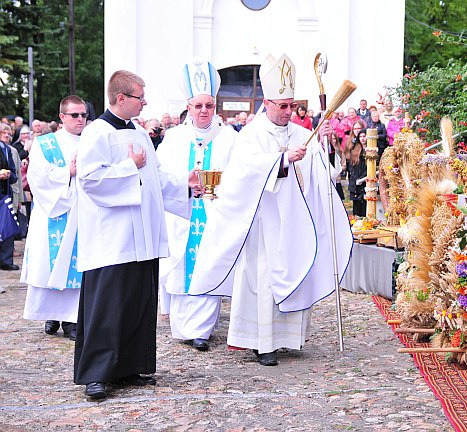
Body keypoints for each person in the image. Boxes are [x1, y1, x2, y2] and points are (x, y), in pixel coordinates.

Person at [188, 53, 352, 366]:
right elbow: (242, 174)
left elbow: (324, 174)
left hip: (293, 222)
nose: (289, 111)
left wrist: (328, 146)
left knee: (294, 270)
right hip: (264, 224)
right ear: (267, 103)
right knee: (263, 281)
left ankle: (289, 339)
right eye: (283, 106)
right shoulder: (250, 135)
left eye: (292, 105)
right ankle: (262, 344)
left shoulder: (304, 134)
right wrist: (281, 161)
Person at [73, 70, 199, 400]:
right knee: (109, 306)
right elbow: (89, 180)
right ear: (121, 99)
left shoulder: (140, 134)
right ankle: (97, 374)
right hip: (112, 239)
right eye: (140, 98)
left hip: (142, 236)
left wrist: (184, 185)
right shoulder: (96, 133)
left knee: (138, 304)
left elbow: (155, 175)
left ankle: (130, 366)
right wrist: (129, 166)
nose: (145, 103)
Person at [157, 58, 237, 352]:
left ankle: (202, 329)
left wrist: (214, 184)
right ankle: (182, 327)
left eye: (209, 105)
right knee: (180, 267)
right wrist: (185, 182)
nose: (204, 111)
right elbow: (161, 173)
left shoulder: (229, 138)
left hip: (214, 212)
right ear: (188, 108)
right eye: (198, 106)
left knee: (209, 263)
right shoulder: (174, 138)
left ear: (216, 107)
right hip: (182, 214)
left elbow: (239, 174)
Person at [21, 95, 88, 341]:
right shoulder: (45, 143)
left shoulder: (91, 141)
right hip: (52, 212)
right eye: (74, 115)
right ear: (62, 117)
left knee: (76, 267)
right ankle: (52, 313)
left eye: (83, 114)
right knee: (50, 263)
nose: (80, 119)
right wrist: (67, 172)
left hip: (81, 214)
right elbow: (39, 176)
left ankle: (72, 319)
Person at [0, 125, 19, 272]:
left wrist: (8, 175)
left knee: (8, 227)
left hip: (5, 195)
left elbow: (14, 173)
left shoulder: (8, 150)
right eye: (3, 132)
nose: (7, 134)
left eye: (8, 132)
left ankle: (6, 261)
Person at [346, 128, 368, 217]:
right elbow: (351, 165)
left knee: (365, 205)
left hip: (365, 179)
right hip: (355, 179)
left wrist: (363, 177)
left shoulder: (371, 149)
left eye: (364, 136)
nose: (362, 138)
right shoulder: (355, 149)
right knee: (356, 206)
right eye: (360, 136)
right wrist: (354, 177)